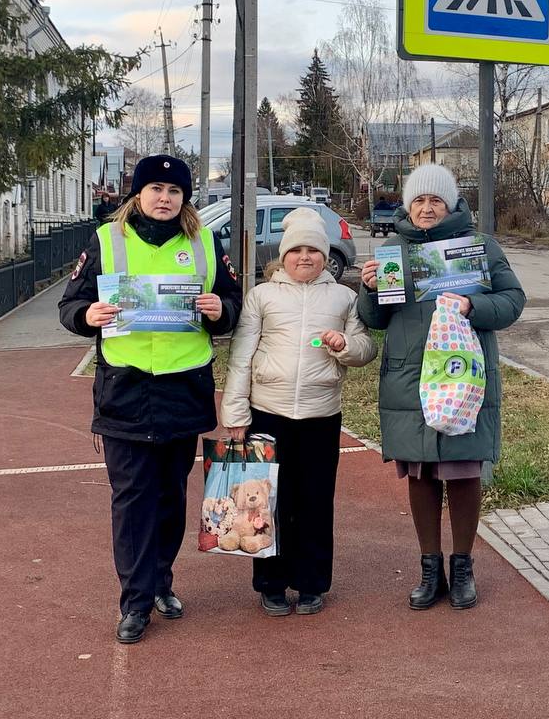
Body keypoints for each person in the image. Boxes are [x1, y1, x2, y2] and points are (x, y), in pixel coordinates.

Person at [59, 154, 243, 644]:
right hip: (126, 388)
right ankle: (135, 602)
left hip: (184, 387)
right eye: (156, 189)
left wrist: (217, 310)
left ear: (186, 198)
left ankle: (161, 579)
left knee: (169, 495)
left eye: (174, 191)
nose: (165, 198)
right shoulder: (106, 240)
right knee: (132, 498)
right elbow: (69, 306)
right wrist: (88, 316)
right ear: (138, 194)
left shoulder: (205, 240)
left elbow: (233, 303)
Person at [357, 164, 525, 611]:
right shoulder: (394, 250)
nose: (427, 208)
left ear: (450, 204)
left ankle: (463, 567)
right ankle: (429, 570)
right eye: (419, 200)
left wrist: (473, 304)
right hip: (410, 377)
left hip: (462, 374)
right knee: (422, 473)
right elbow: (376, 320)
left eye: (435, 200)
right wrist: (370, 290)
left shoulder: (479, 247)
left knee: (464, 470)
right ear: (408, 206)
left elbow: (513, 301)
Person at [219, 207, 377, 617]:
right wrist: (235, 415)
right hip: (266, 413)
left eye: (313, 250)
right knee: (265, 503)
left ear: (326, 256)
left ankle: (312, 583)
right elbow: (241, 358)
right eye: (296, 250)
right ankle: (270, 583)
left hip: (321, 415)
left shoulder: (345, 297)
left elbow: (366, 349)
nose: (304, 257)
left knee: (315, 500)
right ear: (283, 255)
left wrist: (344, 345)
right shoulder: (262, 296)